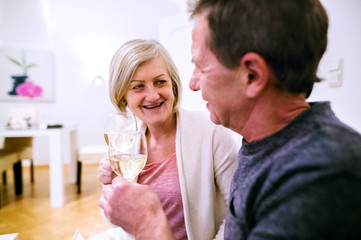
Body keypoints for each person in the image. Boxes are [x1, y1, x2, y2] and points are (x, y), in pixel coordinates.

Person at [99, 0, 361, 239]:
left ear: (252, 75)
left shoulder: (320, 176)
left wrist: (150, 226)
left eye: (201, 66)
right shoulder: (260, 150)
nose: (191, 84)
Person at [94, 39, 239, 240]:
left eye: (160, 82)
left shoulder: (211, 132)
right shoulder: (125, 143)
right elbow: (114, 221)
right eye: (138, 87)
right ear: (123, 96)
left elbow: (239, 216)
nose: (152, 95)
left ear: (173, 84)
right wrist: (110, 186)